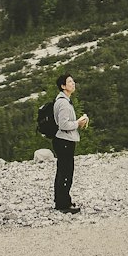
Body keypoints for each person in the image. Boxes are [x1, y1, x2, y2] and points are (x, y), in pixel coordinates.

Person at [52, 71, 88, 213]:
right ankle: (63, 204)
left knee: (63, 171)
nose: (73, 84)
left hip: (62, 140)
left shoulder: (63, 101)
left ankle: (62, 201)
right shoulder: (64, 104)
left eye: (73, 82)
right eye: (70, 82)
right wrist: (78, 123)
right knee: (66, 172)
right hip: (64, 141)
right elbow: (64, 125)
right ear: (63, 86)